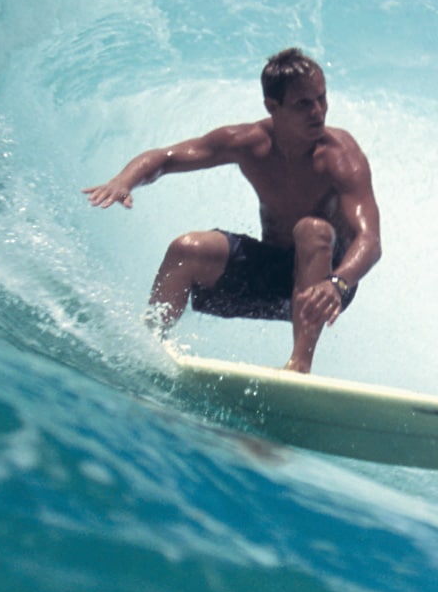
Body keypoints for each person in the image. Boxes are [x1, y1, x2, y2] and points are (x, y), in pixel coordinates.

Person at [83, 48, 382, 373]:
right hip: (271, 278)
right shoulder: (248, 143)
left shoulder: (340, 157)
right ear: (273, 106)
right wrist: (124, 180)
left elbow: (370, 240)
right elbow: (166, 158)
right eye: (304, 103)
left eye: (321, 98)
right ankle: (146, 349)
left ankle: (299, 365)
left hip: (327, 285)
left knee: (312, 229)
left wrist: (338, 283)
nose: (318, 111)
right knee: (186, 249)